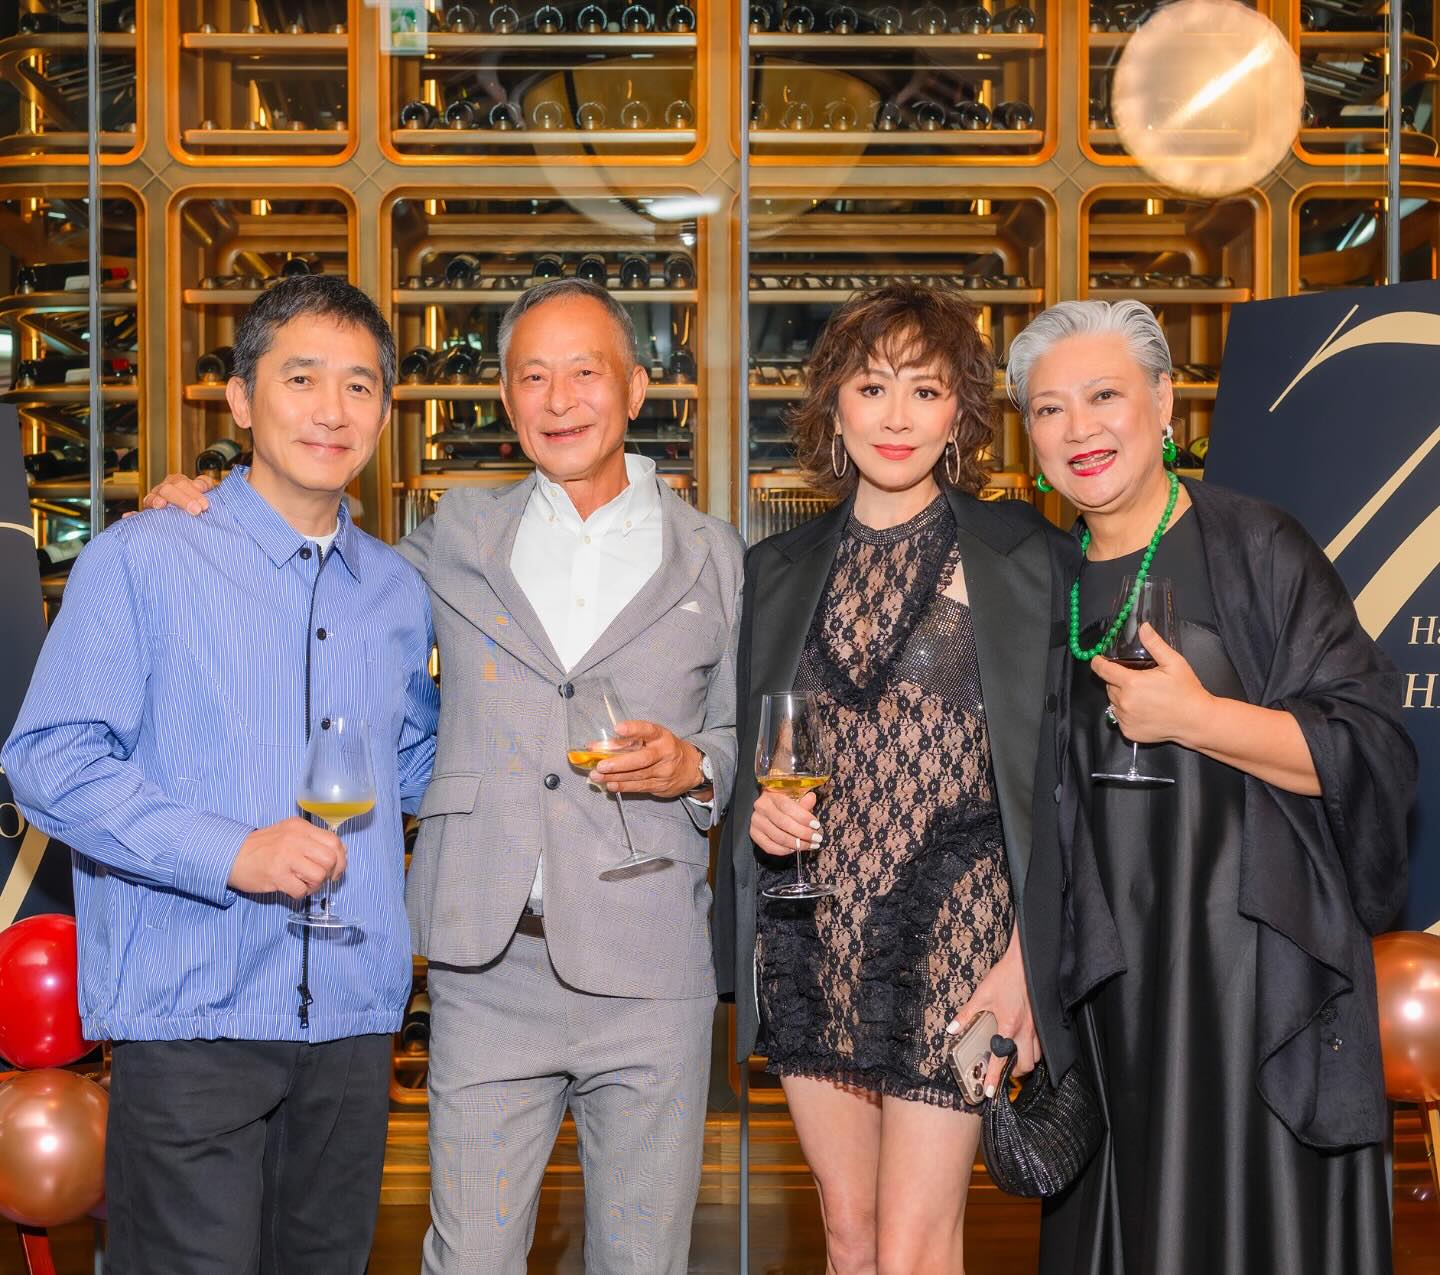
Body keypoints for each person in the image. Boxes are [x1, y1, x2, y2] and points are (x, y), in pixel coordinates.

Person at [140, 276, 744, 1275]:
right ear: (505, 400)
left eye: (585, 372)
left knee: (646, 1259)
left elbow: (742, 732)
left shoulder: (715, 556)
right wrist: (208, 503)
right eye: (533, 377)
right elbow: (328, 570)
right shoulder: (454, 536)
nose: (559, 399)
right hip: (484, 968)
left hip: (651, 967)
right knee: (468, 1258)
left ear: (636, 388)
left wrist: (696, 764)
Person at [2, 275, 440, 1273]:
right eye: (302, 378)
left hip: (353, 1017)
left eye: (361, 386)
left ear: (384, 415)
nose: (333, 410)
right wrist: (230, 850)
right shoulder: (144, 559)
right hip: (193, 1021)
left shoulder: (396, 591)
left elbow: (414, 764)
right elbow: (49, 758)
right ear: (241, 400)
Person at [1005, 299, 1416, 1275]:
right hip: (1108, 990)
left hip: (1252, 980)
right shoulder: (1041, 580)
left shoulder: (1257, 547)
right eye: (1050, 409)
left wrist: (1197, 718)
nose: (1079, 428)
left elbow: (1373, 752)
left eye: (1104, 396)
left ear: (1162, 403)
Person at [714, 282, 1078, 1275]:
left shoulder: (1028, 556)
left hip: (961, 934)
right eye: (872, 387)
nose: (897, 416)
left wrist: (1029, 963)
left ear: (960, 412)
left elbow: (1062, 782)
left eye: (925, 390)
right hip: (810, 930)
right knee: (850, 1234)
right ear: (834, 406)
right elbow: (756, 752)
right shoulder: (774, 570)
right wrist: (762, 807)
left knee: (917, 1245)